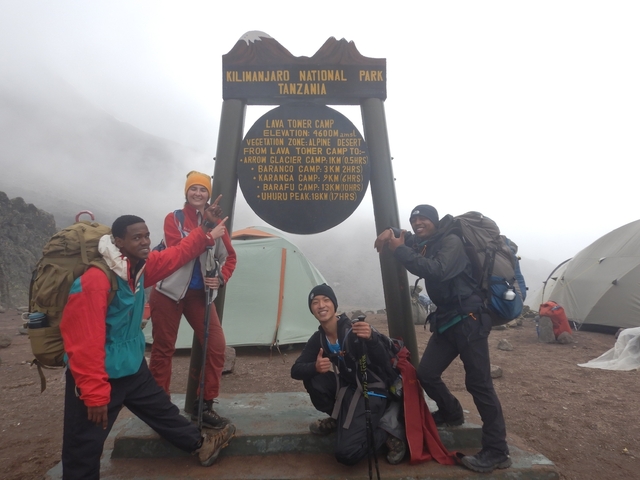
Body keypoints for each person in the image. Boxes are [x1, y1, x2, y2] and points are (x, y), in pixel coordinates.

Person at [60, 211, 235, 479]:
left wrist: (205, 228)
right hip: (100, 375)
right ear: (118, 241)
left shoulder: (140, 267)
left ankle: (200, 445)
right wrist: (93, 394)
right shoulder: (95, 281)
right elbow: (83, 343)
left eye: (146, 236)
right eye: (136, 237)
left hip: (131, 365)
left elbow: (177, 254)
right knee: (84, 446)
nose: (144, 242)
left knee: (163, 412)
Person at [374, 204, 511, 473]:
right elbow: (405, 237)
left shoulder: (451, 242)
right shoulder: (428, 240)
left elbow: (437, 270)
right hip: (448, 320)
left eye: (423, 218)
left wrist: (398, 250)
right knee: (426, 373)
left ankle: (497, 451)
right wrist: (389, 232)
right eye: (414, 220)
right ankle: (451, 412)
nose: (417, 223)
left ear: (435, 221)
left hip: (470, 319)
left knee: (479, 385)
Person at [149, 171, 236, 429]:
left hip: (199, 295)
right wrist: (207, 232)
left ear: (209, 194)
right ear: (186, 192)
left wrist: (220, 278)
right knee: (163, 349)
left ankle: (204, 404)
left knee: (216, 345)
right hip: (168, 293)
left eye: (203, 189)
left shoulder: (218, 221)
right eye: (193, 189)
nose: (198, 193)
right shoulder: (174, 218)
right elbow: (180, 252)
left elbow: (229, 257)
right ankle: (159, 407)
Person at [291, 284, 407, 467]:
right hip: (349, 389)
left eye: (326, 300)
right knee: (313, 378)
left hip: (373, 392)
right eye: (315, 302)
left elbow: (384, 361)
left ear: (334, 305)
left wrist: (372, 339)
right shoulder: (319, 338)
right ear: (312, 310)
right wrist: (315, 366)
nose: (321, 305)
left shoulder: (354, 329)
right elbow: (295, 370)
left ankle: (386, 433)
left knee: (346, 453)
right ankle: (341, 420)